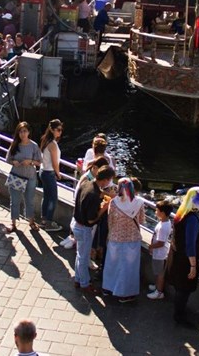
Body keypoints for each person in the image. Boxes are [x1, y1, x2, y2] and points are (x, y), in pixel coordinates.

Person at [168, 186, 199, 327]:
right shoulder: (192, 219)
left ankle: (177, 313)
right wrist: (193, 266)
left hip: (176, 256)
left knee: (179, 288)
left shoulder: (181, 213)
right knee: (184, 290)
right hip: (185, 261)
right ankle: (179, 316)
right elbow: (190, 244)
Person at [102, 177, 146, 303]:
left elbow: (110, 221)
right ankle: (124, 294)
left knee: (112, 265)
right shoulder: (139, 203)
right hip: (132, 239)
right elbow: (142, 221)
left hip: (115, 238)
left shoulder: (113, 202)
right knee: (128, 267)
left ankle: (108, 288)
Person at [72, 166, 114, 295]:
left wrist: (107, 195)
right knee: (84, 258)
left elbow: (97, 193)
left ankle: (78, 279)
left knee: (80, 255)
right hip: (85, 228)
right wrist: (104, 208)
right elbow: (91, 220)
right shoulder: (94, 195)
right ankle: (85, 284)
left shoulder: (87, 184)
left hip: (76, 225)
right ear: (106, 180)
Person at [4, 122, 41, 234]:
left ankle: (31, 221)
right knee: (14, 200)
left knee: (29, 200)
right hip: (16, 175)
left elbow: (39, 162)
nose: (23, 134)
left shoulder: (34, 146)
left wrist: (30, 162)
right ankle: (13, 223)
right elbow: (8, 159)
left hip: (30, 176)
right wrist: (13, 162)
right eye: (20, 131)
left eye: (25, 131)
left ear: (29, 132)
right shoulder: (15, 144)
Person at [37, 118, 64, 232]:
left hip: (43, 171)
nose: (60, 132)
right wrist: (58, 174)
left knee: (47, 196)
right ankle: (49, 222)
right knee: (53, 198)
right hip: (49, 172)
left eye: (61, 130)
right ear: (52, 130)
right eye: (58, 130)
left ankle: (43, 220)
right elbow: (54, 163)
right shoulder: (52, 144)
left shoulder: (45, 140)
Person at [146, 200, 173, 300]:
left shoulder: (162, 227)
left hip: (159, 254)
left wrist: (151, 247)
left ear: (162, 213)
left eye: (156, 210)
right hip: (162, 252)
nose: (155, 212)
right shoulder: (166, 222)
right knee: (158, 272)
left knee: (160, 273)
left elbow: (160, 243)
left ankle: (159, 292)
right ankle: (157, 286)